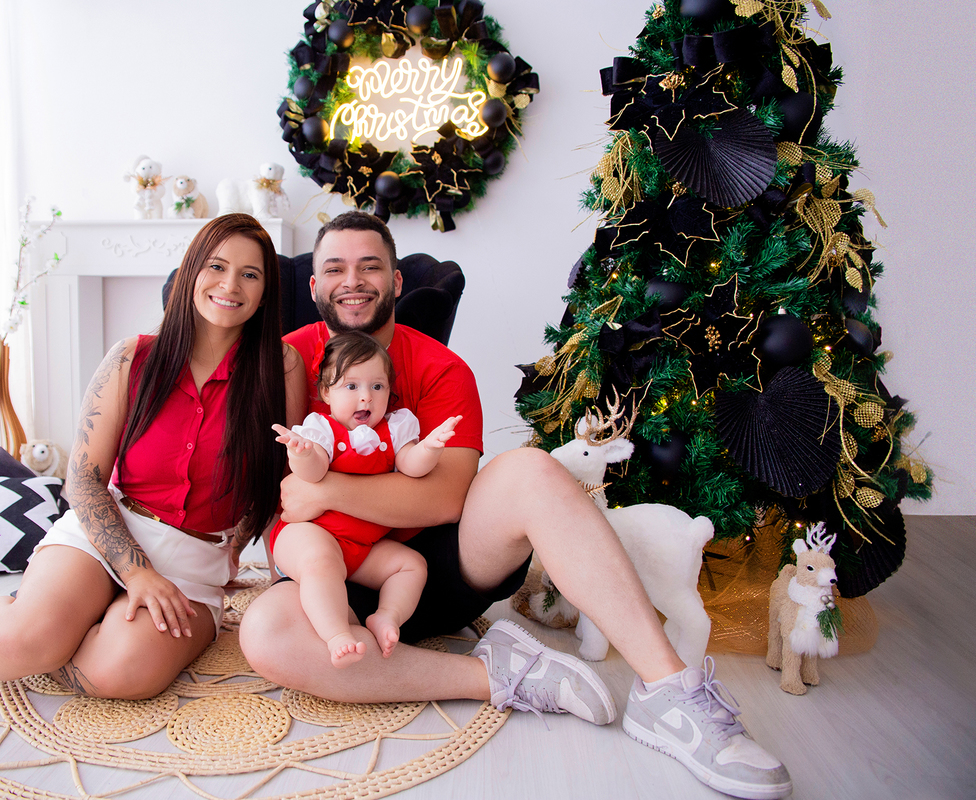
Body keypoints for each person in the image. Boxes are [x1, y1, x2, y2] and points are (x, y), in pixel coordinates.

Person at [240, 211, 793, 800]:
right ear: (315, 287)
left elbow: (446, 497)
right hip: (326, 581)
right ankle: (502, 674)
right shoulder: (285, 360)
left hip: (430, 571)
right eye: (336, 269)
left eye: (369, 266)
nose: (353, 280)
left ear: (397, 281)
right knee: (264, 637)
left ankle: (669, 693)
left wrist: (325, 491)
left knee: (530, 468)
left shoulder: (440, 368)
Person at [0, 213, 306, 700]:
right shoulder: (133, 358)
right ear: (192, 272)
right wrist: (136, 574)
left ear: (265, 294)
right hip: (109, 531)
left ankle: (0, 623)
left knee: (120, 673)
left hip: (196, 563)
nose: (230, 284)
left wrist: (236, 549)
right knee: (31, 642)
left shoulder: (281, 368)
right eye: (216, 266)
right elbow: (83, 480)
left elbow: (283, 480)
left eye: (250, 274)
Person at [270, 330, 461, 667]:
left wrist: (430, 448)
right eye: (352, 386)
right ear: (326, 393)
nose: (366, 398)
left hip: (362, 545)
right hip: (310, 534)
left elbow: (412, 467)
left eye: (377, 387)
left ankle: (386, 616)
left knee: (411, 565)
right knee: (321, 563)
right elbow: (313, 474)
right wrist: (300, 453)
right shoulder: (323, 429)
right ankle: (336, 634)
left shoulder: (395, 429)